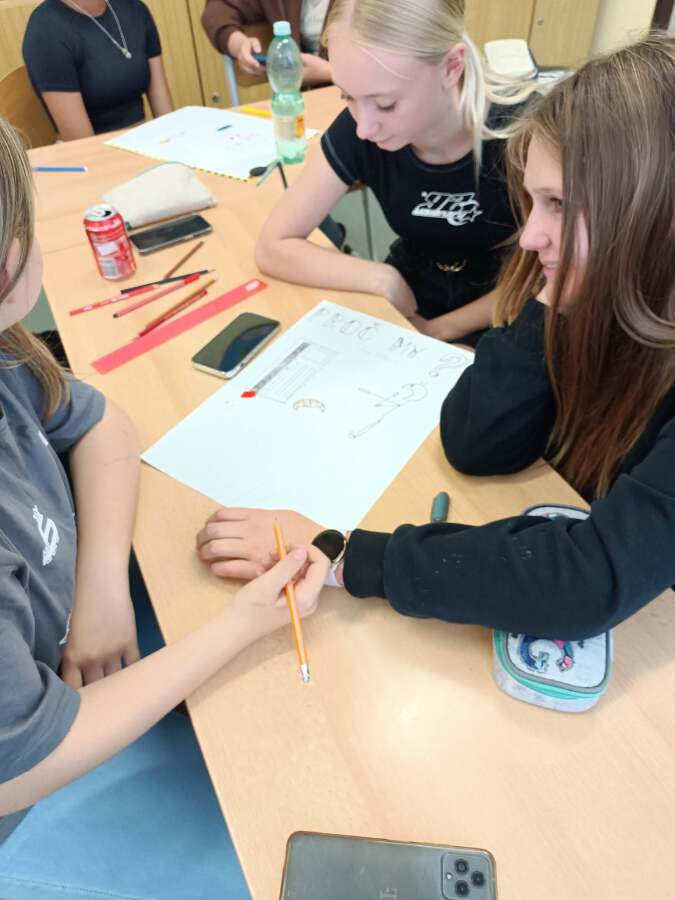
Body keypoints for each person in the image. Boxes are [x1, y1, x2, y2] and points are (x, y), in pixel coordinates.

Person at [196, 34, 675, 640]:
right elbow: (475, 442)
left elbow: (585, 579)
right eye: (534, 203)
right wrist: (554, 294)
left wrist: (345, 554)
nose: (530, 236)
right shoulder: (608, 296)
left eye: (558, 203)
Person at [0, 116, 328, 900]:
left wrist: (101, 589)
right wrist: (239, 626)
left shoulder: (10, 359)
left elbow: (102, 424)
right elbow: (23, 766)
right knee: (288, 827)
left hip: (66, 665)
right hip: (34, 802)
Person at [254, 0, 535, 346]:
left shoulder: (524, 134)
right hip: (412, 291)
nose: (364, 128)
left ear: (452, 67)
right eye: (347, 96)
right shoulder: (362, 127)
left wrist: (443, 329)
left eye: (386, 104)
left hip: (507, 300)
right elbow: (274, 245)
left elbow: (557, 273)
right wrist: (380, 277)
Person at [22, 0, 174, 140]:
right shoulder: (45, 31)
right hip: (95, 152)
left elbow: (166, 117)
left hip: (146, 141)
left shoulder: (135, 9)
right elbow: (83, 144)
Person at [202, 0, 333, 88]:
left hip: (341, 99)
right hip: (310, 100)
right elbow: (217, 9)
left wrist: (329, 73)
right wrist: (239, 44)